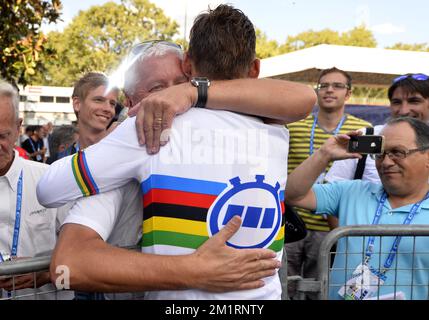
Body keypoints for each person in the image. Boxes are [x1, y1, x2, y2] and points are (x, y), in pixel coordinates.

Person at [38, 4, 315, 300]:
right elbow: (303, 98)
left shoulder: (147, 129)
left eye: (177, 86)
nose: (167, 98)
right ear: (256, 69)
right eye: (158, 87)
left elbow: (49, 191)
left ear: (188, 65)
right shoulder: (275, 127)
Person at [286, 116, 429, 300]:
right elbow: (292, 194)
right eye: (380, 154)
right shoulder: (352, 191)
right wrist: (324, 154)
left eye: (397, 152)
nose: (386, 162)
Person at [285, 67, 371, 298]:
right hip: (293, 223)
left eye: (337, 86)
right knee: (285, 288)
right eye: (324, 85)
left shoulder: (361, 131)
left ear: (349, 94)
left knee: (321, 289)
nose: (329, 90)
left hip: (333, 227)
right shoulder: (294, 127)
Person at [0, 79, 72, 300]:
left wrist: (48, 274)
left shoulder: (50, 180)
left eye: (2, 136)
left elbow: (86, 262)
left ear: (17, 126)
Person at [326, 73, 429, 184]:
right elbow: (332, 187)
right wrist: (323, 154)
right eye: (396, 102)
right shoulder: (365, 136)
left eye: (414, 101)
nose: (404, 110)